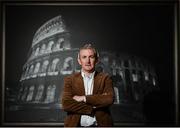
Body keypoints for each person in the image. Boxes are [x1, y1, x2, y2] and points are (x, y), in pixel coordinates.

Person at [62, 43, 114, 127]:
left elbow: (109, 99)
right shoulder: (70, 79)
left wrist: (84, 98)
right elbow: (66, 104)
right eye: (84, 57)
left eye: (91, 57)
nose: (88, 61)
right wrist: (92, 107)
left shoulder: (105, 78)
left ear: (96, 60)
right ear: (79, 61)